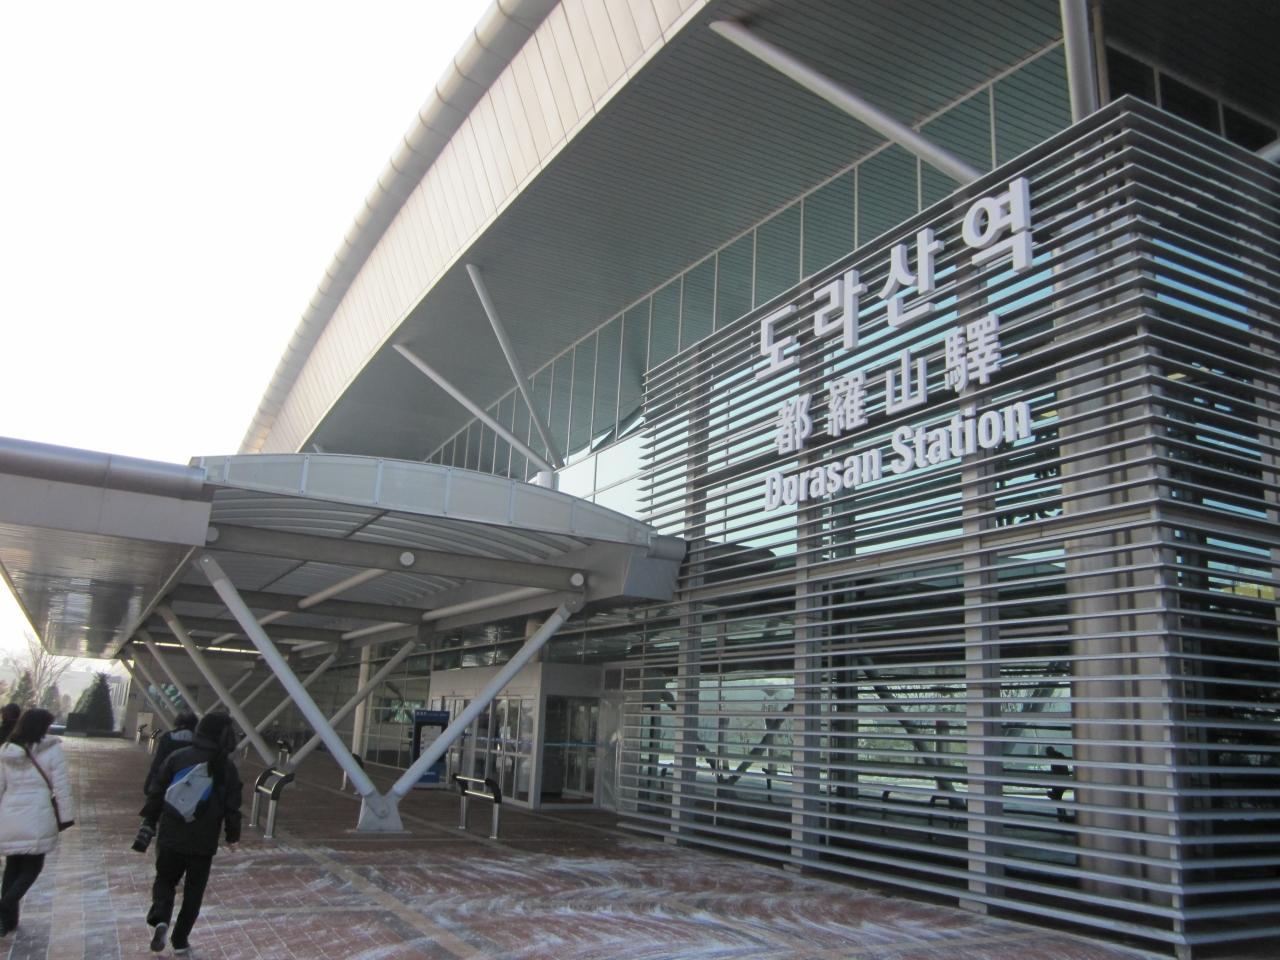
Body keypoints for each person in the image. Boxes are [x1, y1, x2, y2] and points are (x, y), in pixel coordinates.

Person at [139, 711, 242, 955]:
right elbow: (232, 806)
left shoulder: (178, 758)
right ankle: (180, 940)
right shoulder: (225, 767)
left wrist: (149, 821)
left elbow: (157, 792)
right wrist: (232, 835)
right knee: (194, 892)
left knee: (165, 879)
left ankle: (161, 917)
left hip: (171, 832)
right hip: (203, 840)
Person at [0, 708, 76, 936]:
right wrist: (66, 816)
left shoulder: (6, 750)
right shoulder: (52, 750)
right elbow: (61, 786)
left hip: (10, 814)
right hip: (38, 813)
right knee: (33, 866)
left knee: (13, 866)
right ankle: (4, 907)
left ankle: (7, 921)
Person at [143, 711, 198, 795]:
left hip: (167, 777)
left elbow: (158, 761)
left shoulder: (168, 737)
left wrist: (150, 782)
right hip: (188, 780)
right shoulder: (198, 740)